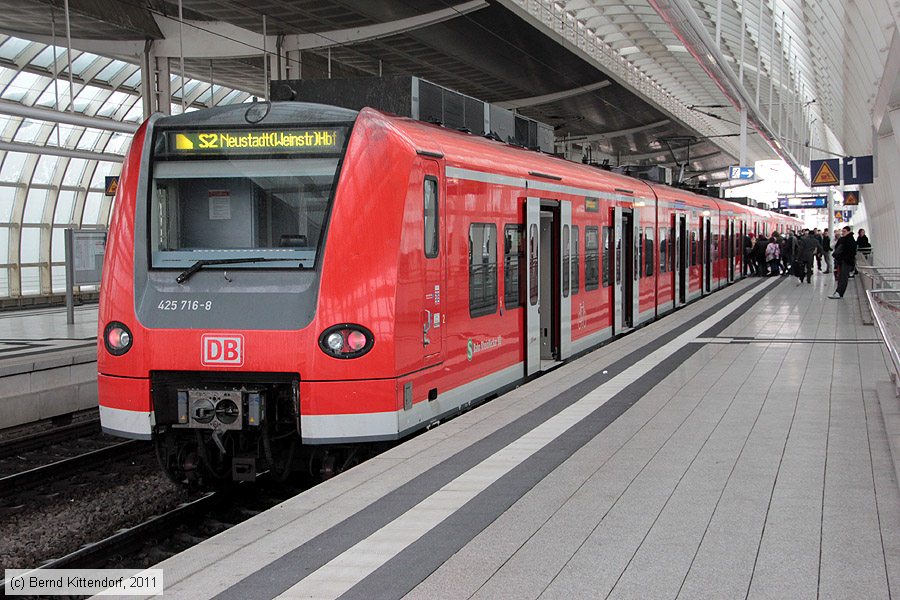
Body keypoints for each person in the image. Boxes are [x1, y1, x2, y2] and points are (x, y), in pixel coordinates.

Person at [829, 226, 857, 299]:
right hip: (843, 261)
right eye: (842, 231)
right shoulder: (844, 240)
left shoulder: (850, 241)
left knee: (843, 277)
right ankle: (838, 292)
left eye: (844, 231)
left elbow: (852, 252)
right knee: (841, 277)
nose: (842, 233)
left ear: (848, 231)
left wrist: (842, 257)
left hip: (846, 261)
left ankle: (839, 293)